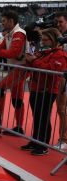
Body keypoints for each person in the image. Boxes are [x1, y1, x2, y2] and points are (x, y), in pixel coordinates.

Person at [21, 28, 67, 155]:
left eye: (46, 39)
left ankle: (43, 144)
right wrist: (31, 60)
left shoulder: (59, 54)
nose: (43, 42)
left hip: (48, 89)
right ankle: (36, 140)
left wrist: (34, 60)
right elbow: (36, 65)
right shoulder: (45, 52)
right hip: (36, 87)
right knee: (37, 116)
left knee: (43, 117)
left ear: (53, 40)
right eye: (43, 39)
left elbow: (51, 69)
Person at [0, 10, 29, 135]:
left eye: (3, 21)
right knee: (16, 99)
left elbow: (11, 53)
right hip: (16, 67)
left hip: (21, 68)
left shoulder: (19, 33)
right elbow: (0, 49)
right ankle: (19, 128)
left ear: (11, 21)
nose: (1, 23)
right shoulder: (10, 33)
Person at [54, 11, 67, 150]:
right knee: (60, 109)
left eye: (61, 22)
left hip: (64, 77)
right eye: (57, 22)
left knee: (62, 109)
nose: (58, 25)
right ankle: (63, 138)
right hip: (62, 77)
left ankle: (64, 139)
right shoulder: (61, 38)